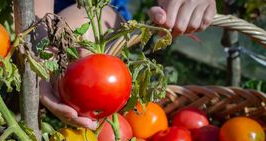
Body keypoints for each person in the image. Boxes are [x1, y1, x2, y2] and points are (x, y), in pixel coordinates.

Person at [36, 0, 217, 130]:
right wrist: (40, 45)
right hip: (43, 13)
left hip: (109, 14)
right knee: (76, 29)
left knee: (85, 24)